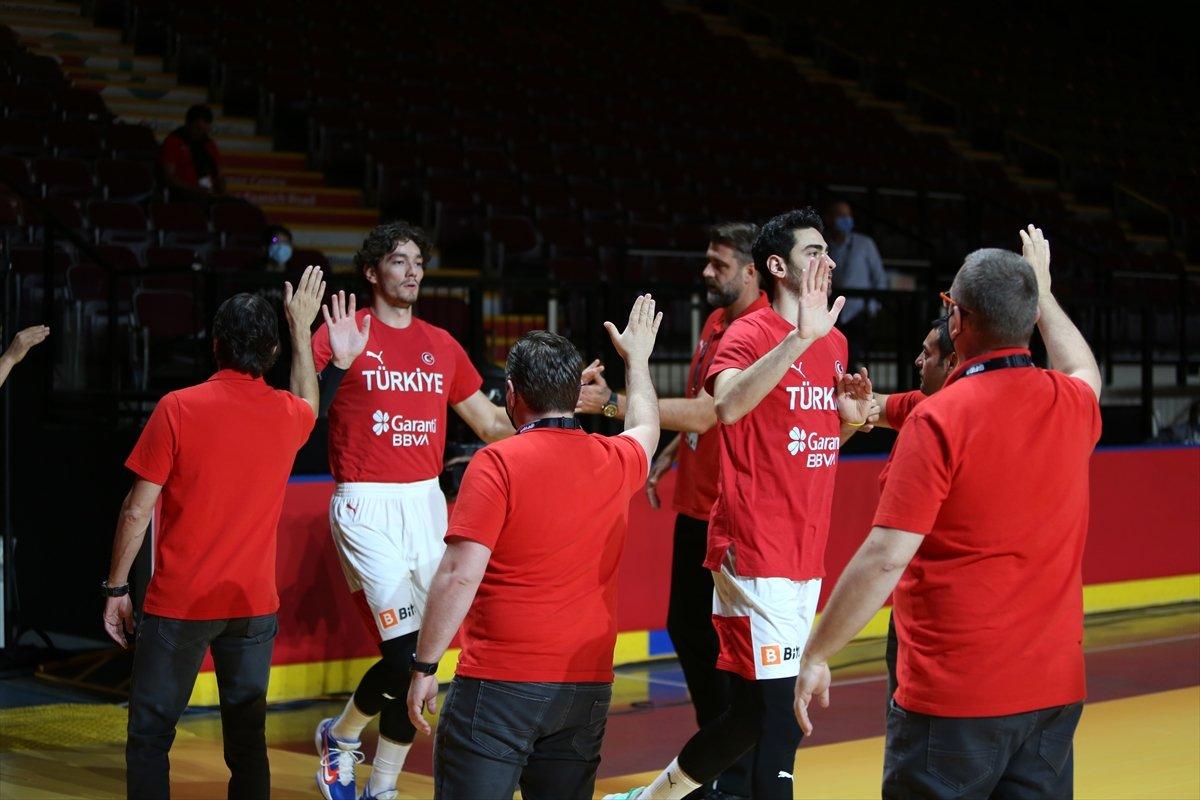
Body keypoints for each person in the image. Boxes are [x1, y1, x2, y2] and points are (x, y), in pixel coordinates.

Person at [794, 225, 1102, 799]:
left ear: (956, 321)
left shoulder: (941, 419)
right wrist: (1046, 294)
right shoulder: (1071, 404)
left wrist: (817, 651)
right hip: (1054, 697)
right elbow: (1086, 369)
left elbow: (886, 557)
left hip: (957, 699)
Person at [604, 208, 873, 800]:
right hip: (753, 546)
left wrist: (849, 421)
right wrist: (797, 341)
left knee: (753, 715)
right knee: (781, 720)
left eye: (828, 251)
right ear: (776, 266)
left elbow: (817, 433)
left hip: (806, 550)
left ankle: (654, 799)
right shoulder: (746, 335)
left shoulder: (835, 338)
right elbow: (725, 408)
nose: (827, 262)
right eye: (812, 253)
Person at [406, 297, 662, 799]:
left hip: (499, 687)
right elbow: (647, 427)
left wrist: (423, 666)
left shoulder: (496, 463)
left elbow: (459, 574)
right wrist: (638, 362)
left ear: (511, 394)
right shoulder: (615, 458)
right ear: (574, 394)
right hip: (584, 690)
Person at [102, 267, 326, 800]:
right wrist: (301, 329)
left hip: (180, 605)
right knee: (247, 743)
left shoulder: (178, 408)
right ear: (270, 351)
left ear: (216, 344)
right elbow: (311, 403)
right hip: (252, 607)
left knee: (151, 737)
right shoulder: (288, 415)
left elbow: (137, 511)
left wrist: (115, 588)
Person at [309, 221, 515, 800]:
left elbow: (493, 424)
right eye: (399, 261)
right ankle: (343, 737)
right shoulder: (346, 332)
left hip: (426, 502)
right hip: (365, 503)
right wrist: (333, 362)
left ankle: (383, 787)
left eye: (419, 261)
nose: (413, 271)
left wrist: (561, 407)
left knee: (426, 654)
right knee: (404, 656)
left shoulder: (441, 344)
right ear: (372, 272)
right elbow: (304, 408)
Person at [576, 222, 766, 799]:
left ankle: (727, 769)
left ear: (754, 270)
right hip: (695, 502)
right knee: (688, 630)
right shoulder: (714, 322)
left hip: (730, 514)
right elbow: (697, 425)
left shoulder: (756, 332)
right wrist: (668, 456)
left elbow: (709, 414)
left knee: (725, 647)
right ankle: (713, 759)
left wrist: (612, 404)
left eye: (720, 263)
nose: (708, 272)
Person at [824, 200, 886, 371]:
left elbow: (879, 278)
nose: (845, 219)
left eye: (848, 215)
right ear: (829, 219)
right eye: (840, 215)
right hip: (832, 312)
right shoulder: (824, 244)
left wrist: (871, 308)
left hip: (859, 312)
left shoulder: (865, 243)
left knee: (854, 356)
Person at [159, 104, 225, 199]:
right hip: (184, 195)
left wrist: (221, 187)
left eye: (205, 129)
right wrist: (195, 189)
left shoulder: (209, 144)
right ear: (189, 124)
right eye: (198, 128)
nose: (200, 133)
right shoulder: (174, 141)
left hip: (208, 194)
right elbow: (169, 177)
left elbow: (219, 174)